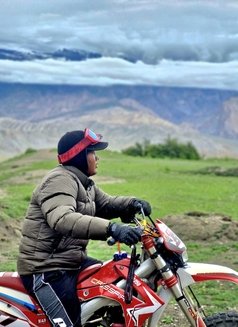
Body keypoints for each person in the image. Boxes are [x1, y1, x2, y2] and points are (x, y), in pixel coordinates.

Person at [17, 128, 151, 327]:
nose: (97, 158)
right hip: (46, 268)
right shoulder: (59, 180)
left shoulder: (84, 183)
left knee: (116, 282)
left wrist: (131, 203)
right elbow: (63, 218)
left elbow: (105, 204)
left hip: (72, 261)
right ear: (79, 156)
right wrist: (113, 229)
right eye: (93, 153)